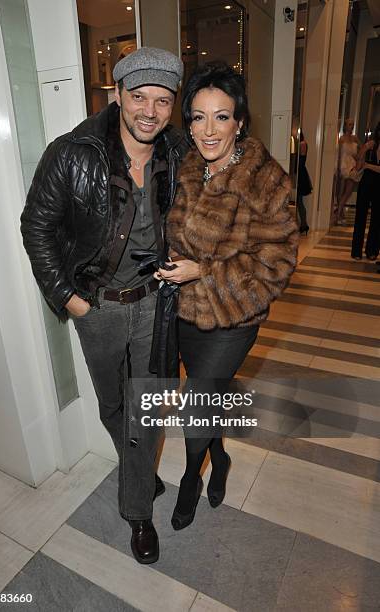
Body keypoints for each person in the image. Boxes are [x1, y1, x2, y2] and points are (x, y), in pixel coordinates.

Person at [20, 47, 187, 564]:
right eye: (139, 97)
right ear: (117, 96)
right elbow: (36, 227)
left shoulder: (177, 152)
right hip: (98, 308)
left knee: (149, 406)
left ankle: (136, 511)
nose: (150, 111)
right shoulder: (72, 152)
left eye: (162, 101)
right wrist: (69, 300)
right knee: (114, 404)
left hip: (157, 304)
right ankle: (139, 467)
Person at [156, 62, 299, 530]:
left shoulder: (267, 179)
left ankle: (190, 478)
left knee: (197, 401)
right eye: (197, 117)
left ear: (239, 121)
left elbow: (276, 264)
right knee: (208, 398)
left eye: (221, 116)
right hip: (183, 314)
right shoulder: (187, 170)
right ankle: (220, 459)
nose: (208, 129)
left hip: (233, 319)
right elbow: (174, 231)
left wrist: (207, 273)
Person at [351, 122, 380, 261]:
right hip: (366, 184)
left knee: (377, 219)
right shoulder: (370, 146)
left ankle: (372, 250)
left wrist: (368, 165)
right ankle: (356, 251)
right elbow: (358, 166)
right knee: (360, 216)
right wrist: (363, 149)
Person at [335, 118, 361, 225]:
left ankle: (338, 212)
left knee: (347, 193)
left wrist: (358, 159)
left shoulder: (355, 138)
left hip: (353, 166)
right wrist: (337, 169)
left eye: (353, 124)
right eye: (350, 124)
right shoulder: (341, 139)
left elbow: (362, 150)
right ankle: (340, 214)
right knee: (341, 193)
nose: (351, 126)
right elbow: (339, 155)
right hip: (343, 166)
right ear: (345, 126)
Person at [296, 130, 312, 235]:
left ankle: (303, 224)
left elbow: (300, 160)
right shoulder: (302, 143)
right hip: (300, 173)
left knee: (299, 201)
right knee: (298, 201)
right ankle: (303, 224)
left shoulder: (302, 143)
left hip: (300, 174)